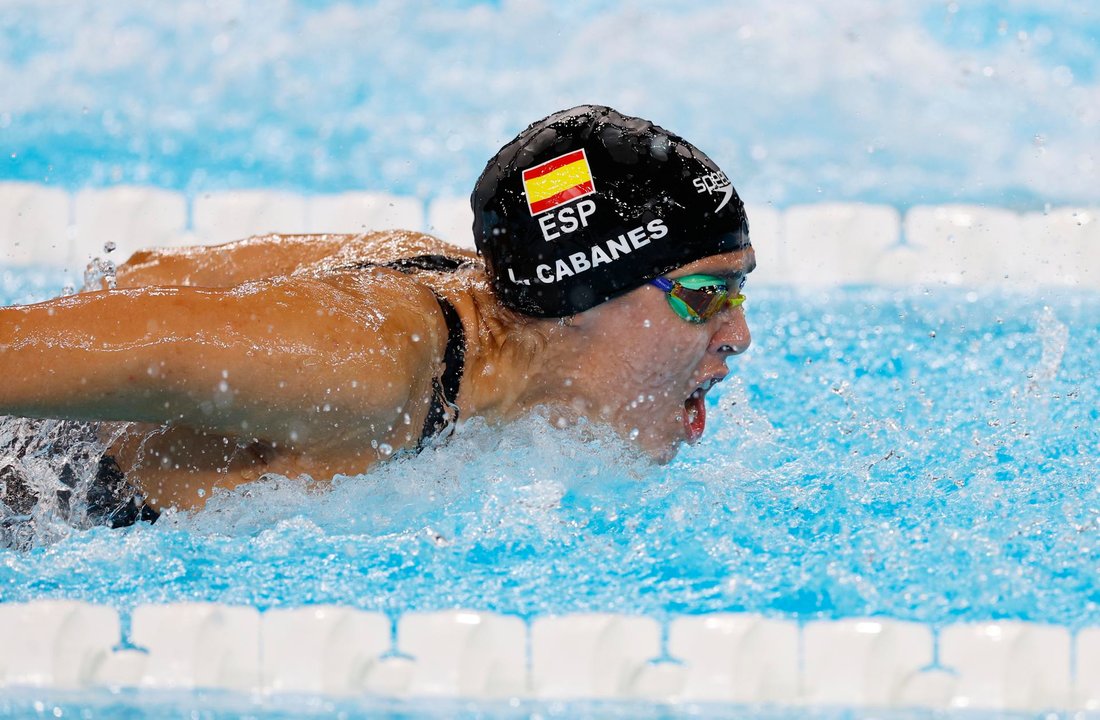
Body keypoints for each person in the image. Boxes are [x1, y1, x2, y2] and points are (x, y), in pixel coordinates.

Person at [0, 105, 755, 525]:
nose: (739, 335)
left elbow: (148, 278)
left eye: (739, 293)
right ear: (577, 300)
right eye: (703, 297)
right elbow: (140, 342)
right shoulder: (362, 365)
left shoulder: (444, 282)